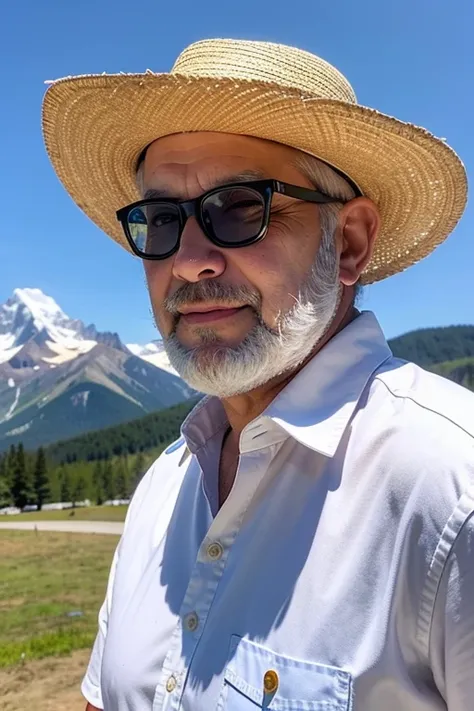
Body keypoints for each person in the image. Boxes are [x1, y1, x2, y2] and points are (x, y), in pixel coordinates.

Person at [42, 39, 473, 711]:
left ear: (350, 242)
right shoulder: (162, 486)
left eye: (241, 206)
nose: (188, 261)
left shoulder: (451, 492)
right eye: (160, 219)